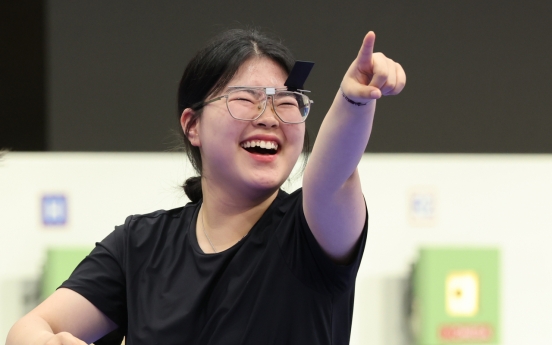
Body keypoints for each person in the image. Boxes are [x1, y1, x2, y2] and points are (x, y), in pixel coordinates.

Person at [6, 28, 405, 345]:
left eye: (286, 102)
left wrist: (354, 100)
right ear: (192, 125)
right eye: (245, 99)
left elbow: (332, 172)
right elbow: (30, 326)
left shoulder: (310, 233)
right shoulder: (140, 245)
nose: (269, 118)